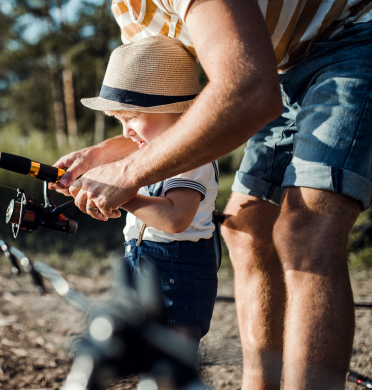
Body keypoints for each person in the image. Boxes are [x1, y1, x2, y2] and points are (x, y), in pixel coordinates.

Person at [49, 0, 372, 388]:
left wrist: (127, 178)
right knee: (246, 229)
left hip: (352, 35)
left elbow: (247, 89)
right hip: (282, 64)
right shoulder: (130, 10)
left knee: (305, 231)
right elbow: (153, 108)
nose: (125, 126)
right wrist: (101, 155)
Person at [80, 35, 219, 343]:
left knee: (167, 362)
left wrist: (123, 193)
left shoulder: (191, 157)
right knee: (143, 351)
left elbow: (174, 218)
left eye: (131, 117)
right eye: (119, 120)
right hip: (140, 259)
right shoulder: (145, 153)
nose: (126, 131)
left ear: (175, 110)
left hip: (176, 273)